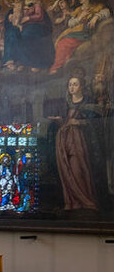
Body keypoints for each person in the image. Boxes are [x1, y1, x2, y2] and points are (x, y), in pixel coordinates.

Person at [51, 75, 102, 211]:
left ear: (81, 87)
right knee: (66, 170)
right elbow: (62, 119)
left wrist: (78, 122)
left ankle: (86, 200)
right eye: (70, 84)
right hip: (64, 139)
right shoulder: (65, 103)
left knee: (78, 170)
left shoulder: (88, 102)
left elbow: (96, 123)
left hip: (80, 141)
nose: (72, 87)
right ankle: (72, 202)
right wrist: (58, 120)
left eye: (75, 84)